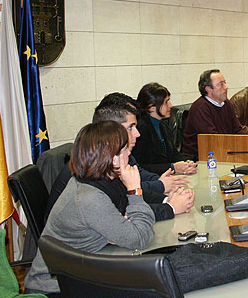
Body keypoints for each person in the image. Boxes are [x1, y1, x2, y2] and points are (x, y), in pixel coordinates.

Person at [25, 121, 155, 295]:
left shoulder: (93, 180)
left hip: (81, 269)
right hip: (55, 288)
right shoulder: (89, 197)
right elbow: (140, 237)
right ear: (113, 159)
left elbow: (126, 223)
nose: (129, 155)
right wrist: (135, 191)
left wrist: (118, 228)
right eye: (126, 150)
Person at [45, 97, 195, 224]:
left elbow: (130, 195)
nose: (137, 133)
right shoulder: (95, 170)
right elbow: (126, 214)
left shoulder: (114, 158)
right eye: (131, 127)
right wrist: (170, 207)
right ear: (111, 131)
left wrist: (167, 200)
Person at [182, 69, 248, 159]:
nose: (226, 87)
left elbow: (237, 130)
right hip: (201, 159)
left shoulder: (227, 104)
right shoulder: (201, 108)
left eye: (225, 83)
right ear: (209, 89)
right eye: (221, 84)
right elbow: (212, 140)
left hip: (224, 152)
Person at [134, 83, 197, 175]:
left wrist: (188, 162)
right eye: (166, 102)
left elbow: (173, 155)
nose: (170, 105)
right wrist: (172, 167)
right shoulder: (141, 128)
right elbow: (141, 166)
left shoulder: (162, 124)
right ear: (151, 107)